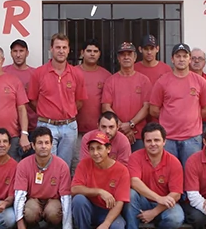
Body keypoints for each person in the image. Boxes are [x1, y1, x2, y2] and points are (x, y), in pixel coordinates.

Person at [120, 122, 184, 229]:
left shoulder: (173, 162)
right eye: (149, 140)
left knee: (176, 217)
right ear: (143, 142)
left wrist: (154, 212)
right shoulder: (135, 157)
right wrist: (157, 197)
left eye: (157, 140)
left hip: (164, 204)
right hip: (142, 201)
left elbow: (176, 194)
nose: (153, 144)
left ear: (164, 141)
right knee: (130, 194)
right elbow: (134, 181)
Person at [29, 33, 87, 167]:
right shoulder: (39, 73)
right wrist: (48, 112)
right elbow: (32, 100)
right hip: (46, 125)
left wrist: (65, 111)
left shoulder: (76, 74)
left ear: (68, 50)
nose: (61, 51)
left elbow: (79, 102)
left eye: (64, 47)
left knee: (65, 166)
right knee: (47, 165)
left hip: (69, 126)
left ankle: (63, 189)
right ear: (51, 49)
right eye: (58, 47)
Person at [150, 43, 206, 166]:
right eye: (178, 56)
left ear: (189, 59)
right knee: (169, 173)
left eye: (185, 56)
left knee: (191, 174)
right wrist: (170, 117)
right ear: (172, 59)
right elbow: (153, 110)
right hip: (168, 138)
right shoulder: (162, 82)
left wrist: (191, 116)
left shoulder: (200, 81)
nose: (181, 59)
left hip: (193, 138)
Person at [13, 126, 72, 229]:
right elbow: (19, 196)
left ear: (52, 145)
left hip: (53, 200)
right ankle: (32, 228)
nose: (43, 146)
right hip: (34, 200)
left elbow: (66, 198)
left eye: (47, 143)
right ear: (33, 146)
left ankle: (55, 228)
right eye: (40, 143)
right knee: (30, 210)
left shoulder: (62, 166)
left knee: (53, 211)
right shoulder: (23, 165)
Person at [72, 132, 130, 229]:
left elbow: (120, 202)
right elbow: (74, 189)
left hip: (108, 210)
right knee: (78, 200)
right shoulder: (84, 164)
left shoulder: (121, 170)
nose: (95, 153)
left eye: (99, 148)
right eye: (92, 149)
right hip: (90, 207)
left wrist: (106, 224)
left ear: (108, 149)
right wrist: (99, 191)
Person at [102, 42, 152, 151]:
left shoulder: (144, 80)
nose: (126, 57)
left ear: (135, 57)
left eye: (129, 54)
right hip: (116, 134)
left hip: (138, 135)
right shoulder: (111, 81)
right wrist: (122, 126)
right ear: (118, 58)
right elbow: (106, 107)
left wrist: (131, 124)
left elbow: (147, 107)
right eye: (122, 55)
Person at [74, 39, 111, 171]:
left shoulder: (106, 75)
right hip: (75, 130)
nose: (92, 54)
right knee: (78, 164)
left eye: (95, 51)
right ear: (82, 53)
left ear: (99, 54)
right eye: (89, 51)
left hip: (99, 131)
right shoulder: (73, 72)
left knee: (98, 165)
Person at [3, 39, 38, 134]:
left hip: (32, 126)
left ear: (27, 53)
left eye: (21, 51)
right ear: (11, 53)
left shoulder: (36, 74)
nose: (18, 55)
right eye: (15, 51)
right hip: (9, 128)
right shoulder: (3, 72)